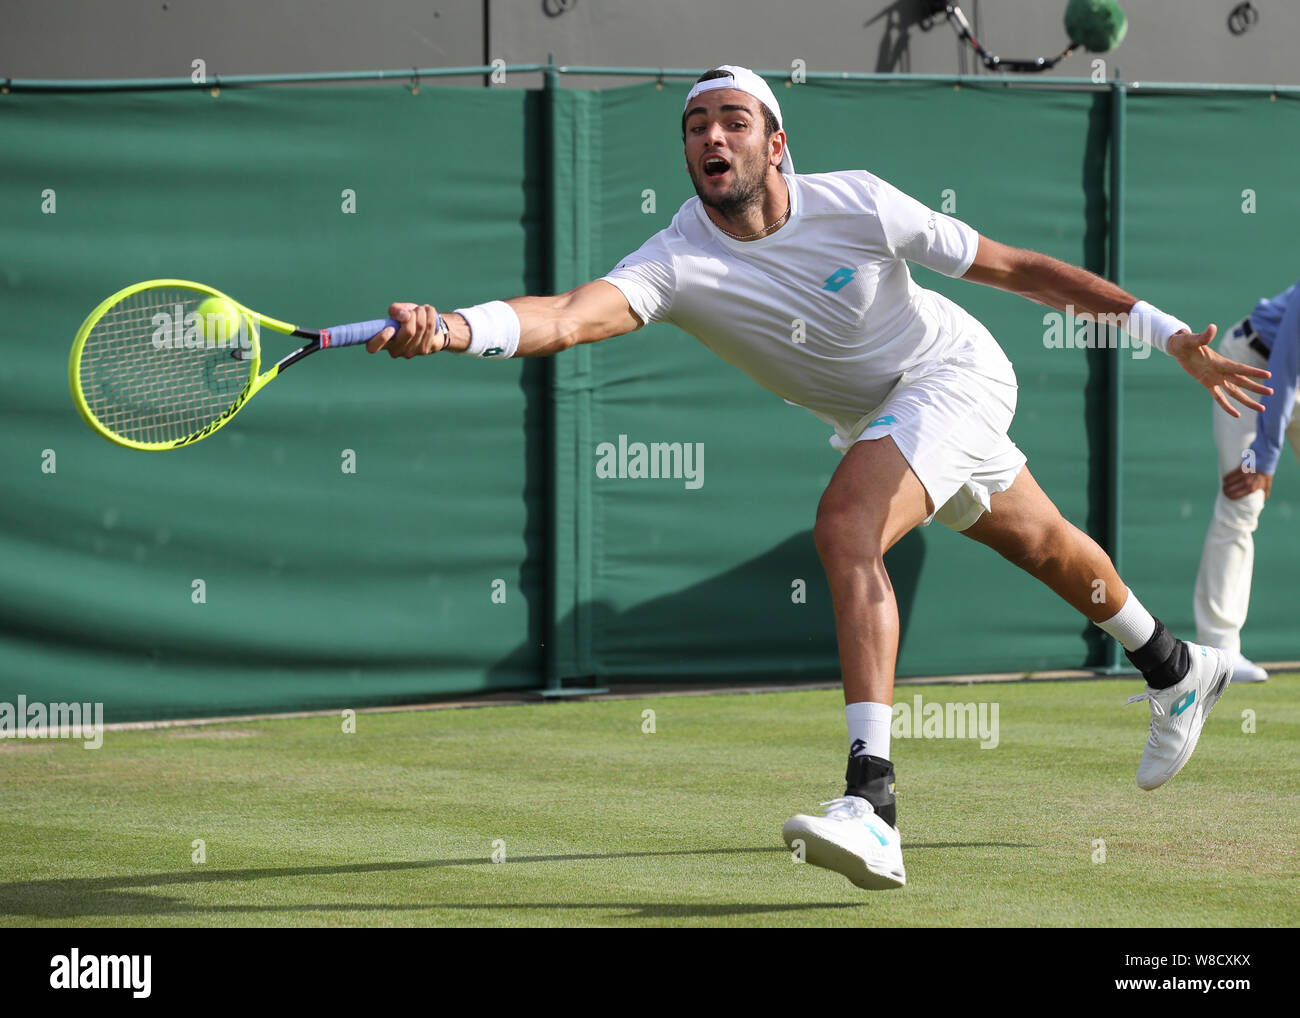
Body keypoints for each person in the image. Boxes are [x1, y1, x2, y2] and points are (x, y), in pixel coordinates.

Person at [365, 65, 1272, 890]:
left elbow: (1015, 269)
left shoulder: (862, 203)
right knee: (1043, 547)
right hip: (880, 415)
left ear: (776, 141)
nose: (711, 140)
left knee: (846, 528)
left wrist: (1162, 331)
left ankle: (872, 806)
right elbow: (566, 315)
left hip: (954, 373)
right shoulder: (675, 259)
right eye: (695, 128)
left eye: (732, 122)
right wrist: (450, 324)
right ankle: (1175, 665)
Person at [1194, 280, 1300, 683]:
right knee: (1243, 499)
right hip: (1251, 368)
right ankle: (1221, 650)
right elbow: (1286, 366)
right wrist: (1265, 460)